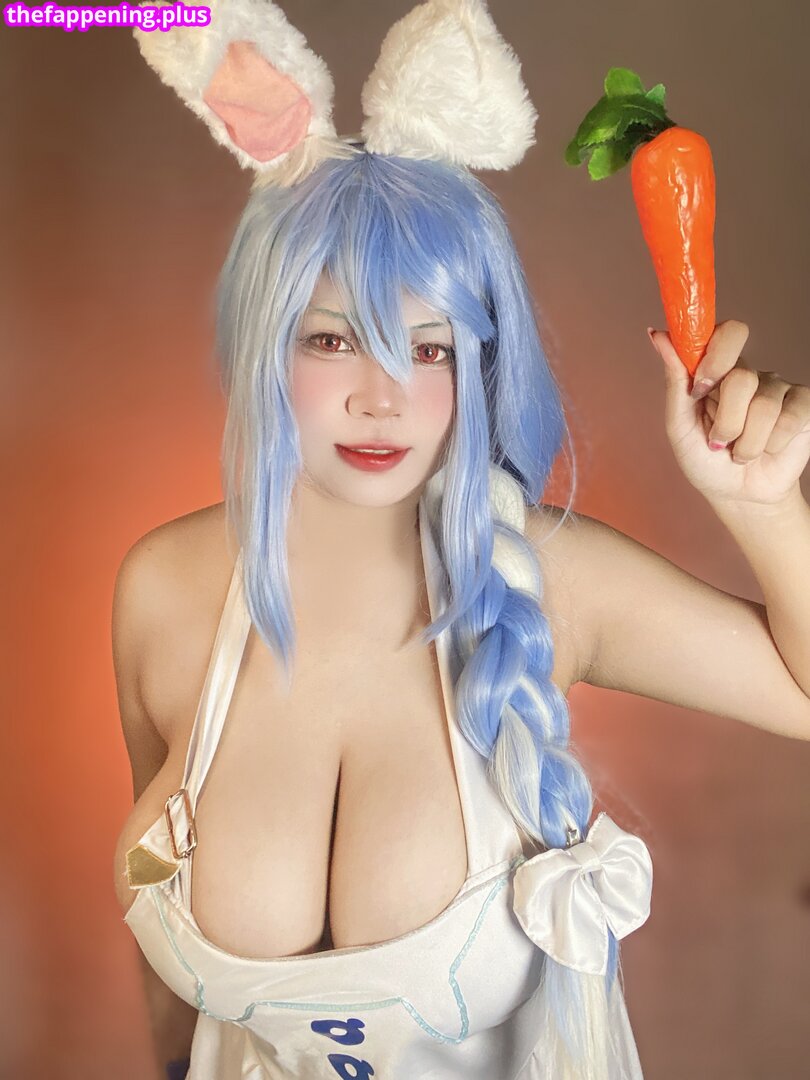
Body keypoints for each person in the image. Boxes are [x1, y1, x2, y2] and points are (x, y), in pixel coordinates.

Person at [112, 3, 810, 1078]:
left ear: (477, 366)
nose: (383, 396)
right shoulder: (163, 590)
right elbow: (170, 999)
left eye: (429, 348)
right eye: (334, 339)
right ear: (264, 344)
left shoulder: (550, 581)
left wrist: (762, 507)